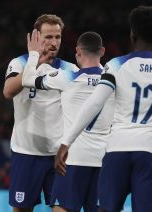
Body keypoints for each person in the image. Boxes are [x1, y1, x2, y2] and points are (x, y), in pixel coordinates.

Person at [54, 6, 152, 212]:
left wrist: (66, 142)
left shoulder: (116, 65)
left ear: (132, 34)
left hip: (116, 152)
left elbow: (94, 103)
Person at [22, 31, 114, 212]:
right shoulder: (114, 81)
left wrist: (33, 54)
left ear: (78, 52)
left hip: (72, 158)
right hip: (104, 160)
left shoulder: (66, 77)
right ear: (102, 51)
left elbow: (26, 80)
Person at [3, 14, 78, 212]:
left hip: (59, 155)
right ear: (36, 37)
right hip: (26, 154)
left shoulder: (70, 69)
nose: (54, 43)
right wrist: (34, 62)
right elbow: (8, 91)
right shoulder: (19, 63)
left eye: (58, 37)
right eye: (48, 37)